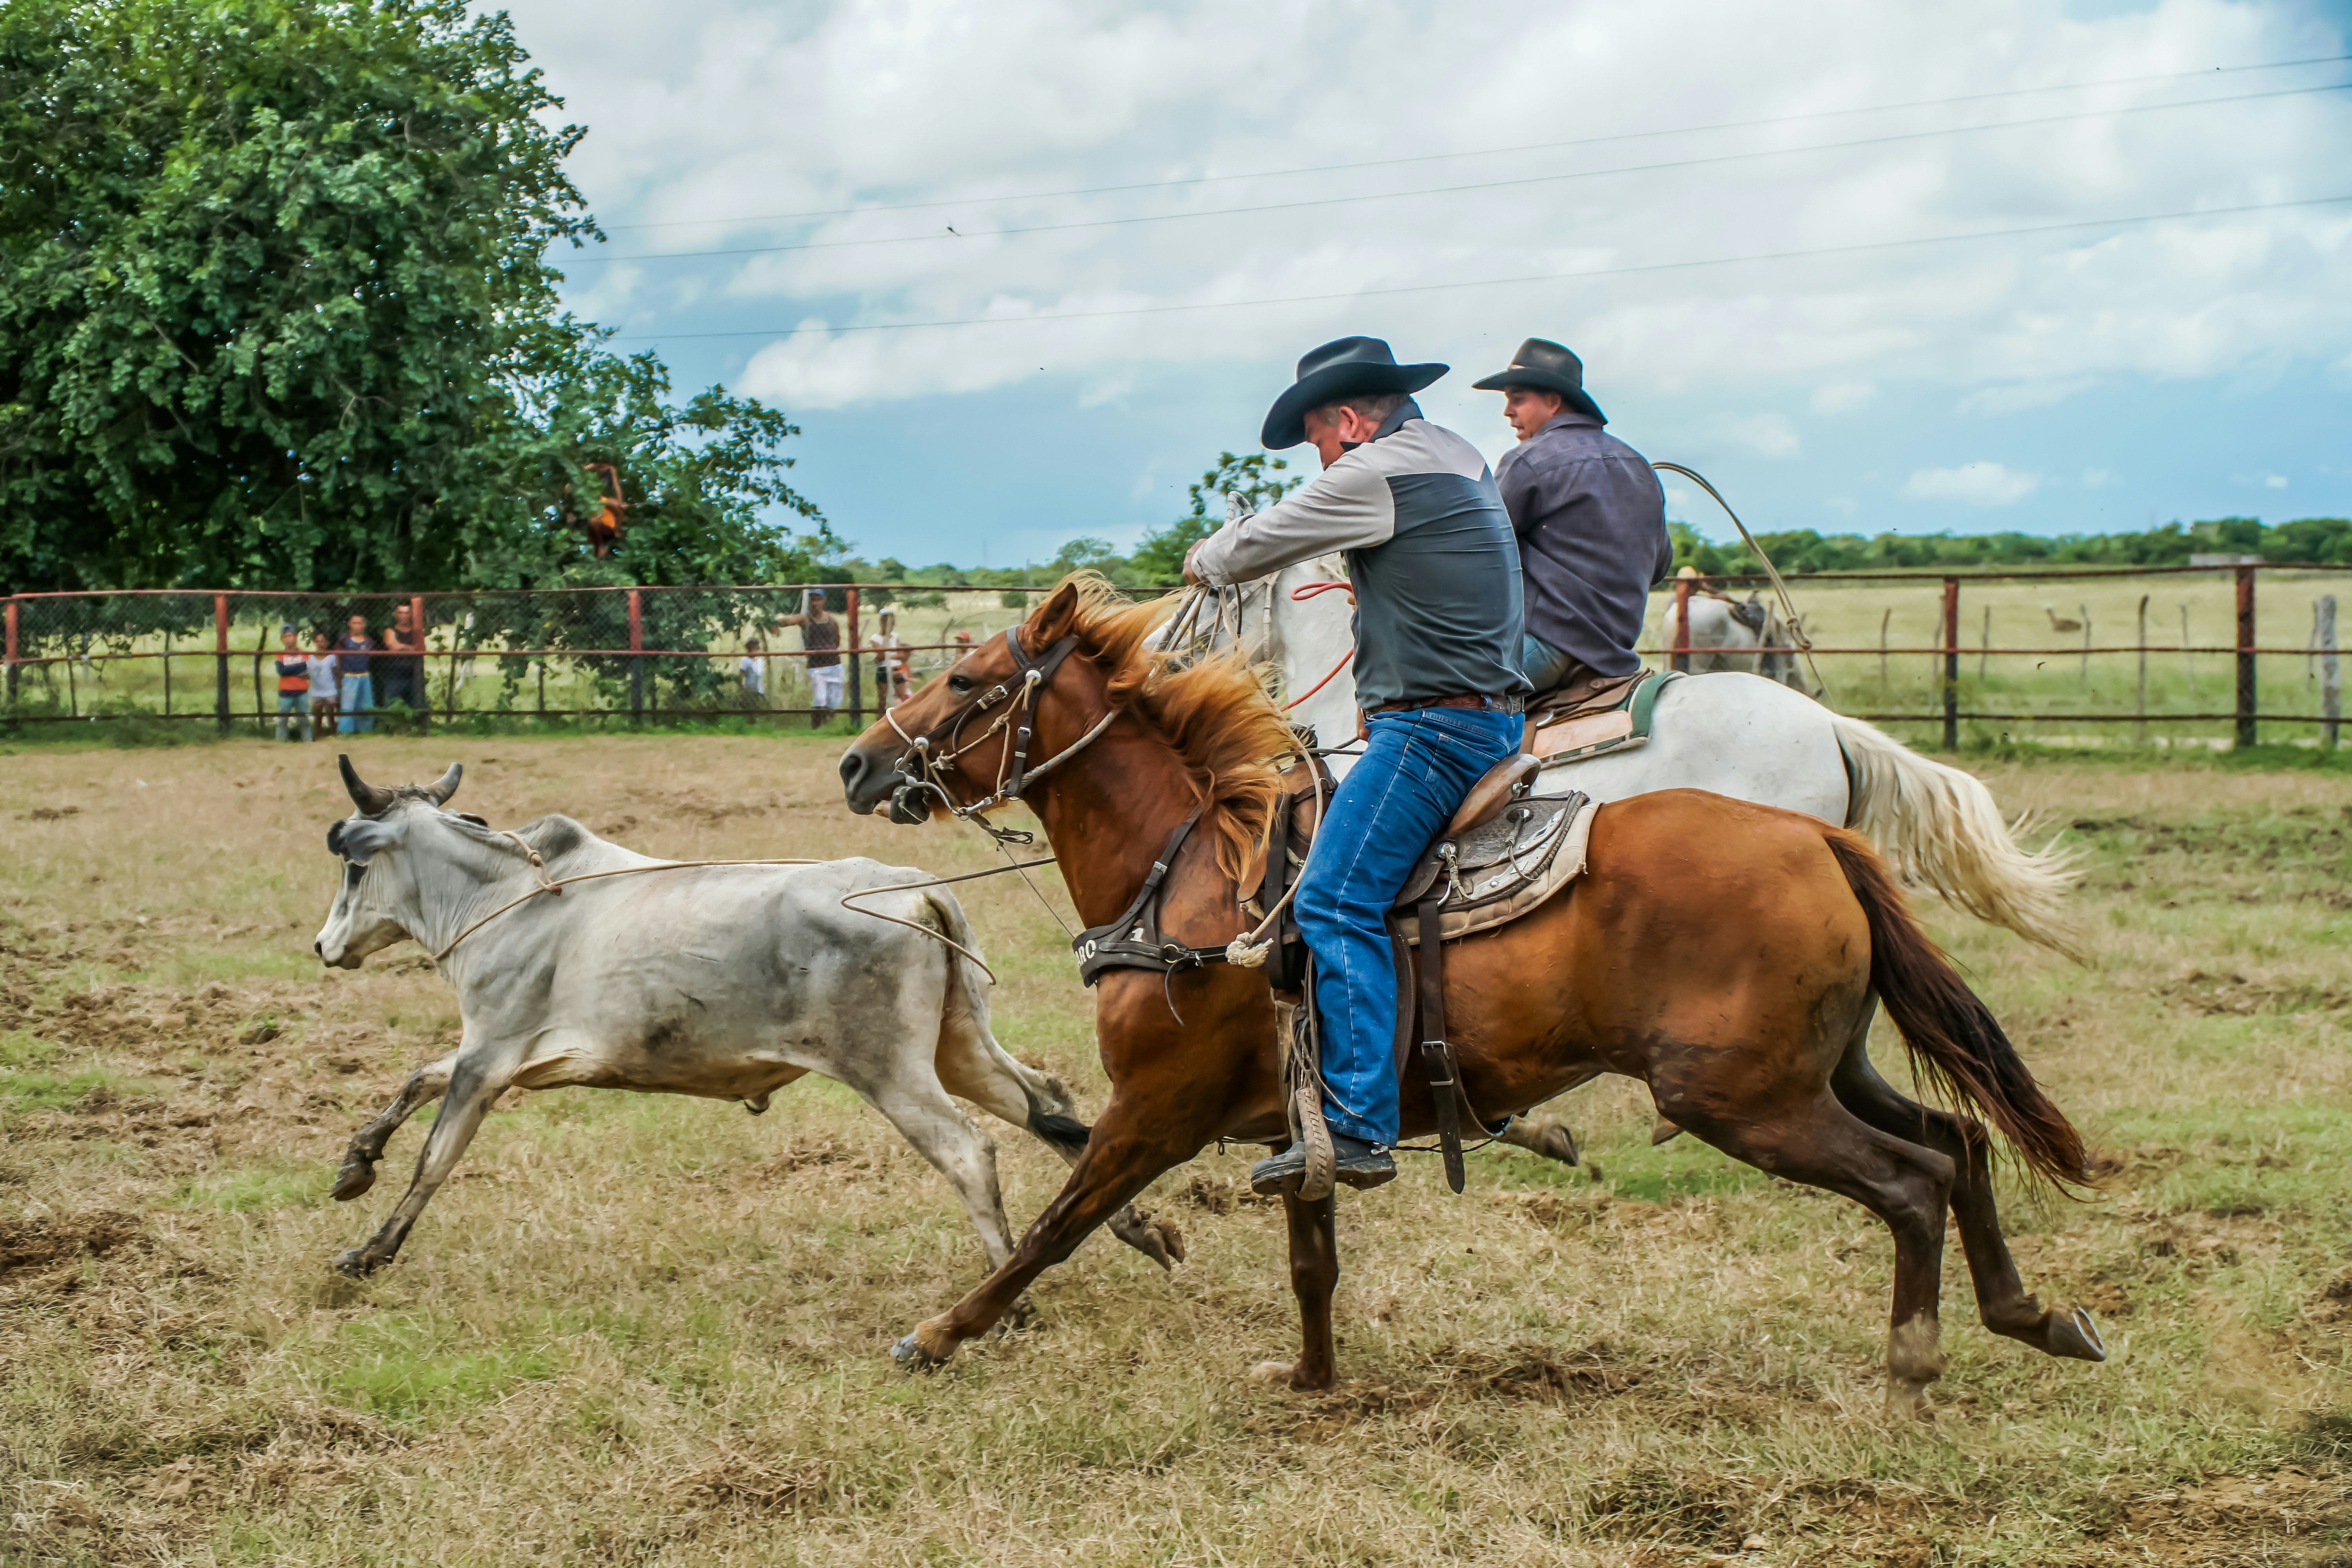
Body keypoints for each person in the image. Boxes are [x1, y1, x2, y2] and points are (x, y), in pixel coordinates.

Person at [1185, 336, 1529, 1196]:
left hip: (1432, 732)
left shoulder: (1375, 472)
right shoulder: (1459, 454)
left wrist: (1205, 551)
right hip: (1489, 714)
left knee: (1336, 896)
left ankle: (1360, 1124)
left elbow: (1243, 552)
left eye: (1317, 441)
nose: (1321, 459)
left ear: (1347, 418)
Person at [1470, 338, 1672, 702]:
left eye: (1517, 398)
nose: (1508, 412)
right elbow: (1659, 567)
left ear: (1553, 401)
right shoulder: (1639, 465)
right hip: (1615, 654)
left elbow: (1474, 548)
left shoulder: (1528, 460)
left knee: (1429, 689)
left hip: (1547, 647)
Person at [776, 589, 843, 728]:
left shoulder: (832, 621)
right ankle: (816, 727)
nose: (815, 603)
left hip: (834, 664)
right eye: (812, 600)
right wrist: (773, 622)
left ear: (823, 601)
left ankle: (828, 726)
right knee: (820, 698)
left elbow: (837, 641)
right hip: (816, 666)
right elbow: (789, 621)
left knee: (835, 701)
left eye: (818, 600)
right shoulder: (805, 619)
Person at [377, 602, 428, 730]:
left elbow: (422, 648)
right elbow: (394, 646)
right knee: (392, 705)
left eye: (407, 613)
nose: (404, 616)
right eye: (401, 613)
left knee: (414, 705)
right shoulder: (390, 631)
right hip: (394, 674)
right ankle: (393, 729)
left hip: (413, 675)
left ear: (411, 615)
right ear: (396, 615)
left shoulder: (417, 632)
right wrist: (412, 649)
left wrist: (404, 648)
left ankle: (413, 729)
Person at [336, 613, 376, 735]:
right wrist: (339, 672)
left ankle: (365, 730)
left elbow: (369, 658)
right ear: (349, 624)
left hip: (364, 675)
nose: (357, 626)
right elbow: (337, 655)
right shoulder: (344, 640)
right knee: (348, 706)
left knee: (366, 705)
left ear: (364, 625)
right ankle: (346, 732)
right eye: (354, 623)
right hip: (349, 675)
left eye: (360, 623)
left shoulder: (369, 641)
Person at [272, 626, 312, 742]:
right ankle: (280, 742)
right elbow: (282, 671)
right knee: (282, 721)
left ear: (295, 637)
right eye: (285, 637)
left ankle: (308, 742)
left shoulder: (304, 654)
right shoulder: (280, 655)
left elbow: (307, 669)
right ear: (282, 639)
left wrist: (290, 669)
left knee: (304, 720)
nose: (288, 639)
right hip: (285, 692)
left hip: (302, 691)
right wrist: (299, 668)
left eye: (290, 635)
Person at [867, 607, 912, 708]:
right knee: (883, 699)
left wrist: (888, 655)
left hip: (897, 669)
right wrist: (887, 643)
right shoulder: (875, 638)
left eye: (892, 623)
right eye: (887, 622)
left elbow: (901, 655)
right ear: (882, 622)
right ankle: (880, 720)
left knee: (902, 697)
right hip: (883, 669)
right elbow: (881, 655)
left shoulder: (896, 637)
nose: (890, 626)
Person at [309, 631, 341, 734]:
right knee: (317, 715)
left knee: (331, 714)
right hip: (316, 691)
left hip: (330, 691)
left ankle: (333, 735)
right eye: (318, 641)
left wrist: (339, 689)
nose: (320, 644)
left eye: (322, 641)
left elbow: (337, 674)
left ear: (327, 643)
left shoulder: (332, 657)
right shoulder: (310, 657)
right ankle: (317, 736)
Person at [739, 637, 767, 701]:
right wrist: (742, 690)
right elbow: (741, 675)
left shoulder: (760, 660)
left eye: (756, 648)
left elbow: (759, 674)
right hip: (749, 691)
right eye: (753, 648)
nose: (756, 650)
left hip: (759, 691)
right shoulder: (745, 660)